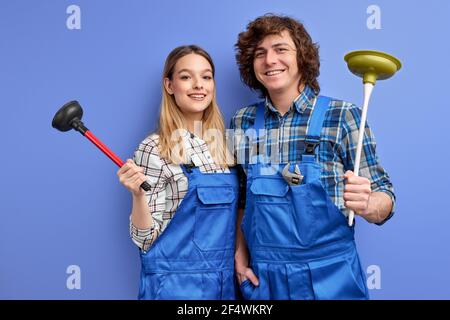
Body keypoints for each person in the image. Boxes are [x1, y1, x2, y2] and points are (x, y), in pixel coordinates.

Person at [230, 14, 396, 300]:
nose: (270, 60)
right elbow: (243, 198)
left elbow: (386, 198)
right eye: (260, 53)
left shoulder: (342, 115)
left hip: (331, 276)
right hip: (265, 280)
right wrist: (239, 254)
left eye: (281, 49)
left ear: (302, 57)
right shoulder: (241, 122)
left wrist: (369, 203)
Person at [117, 45, 238, 300]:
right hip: (173, 287)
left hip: (224, 284)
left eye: (206, 77)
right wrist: (137, 196)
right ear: (169, 85)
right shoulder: (155, 147)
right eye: (186, 77)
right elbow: (144, 238)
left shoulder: (225, 147)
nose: (198, 85)